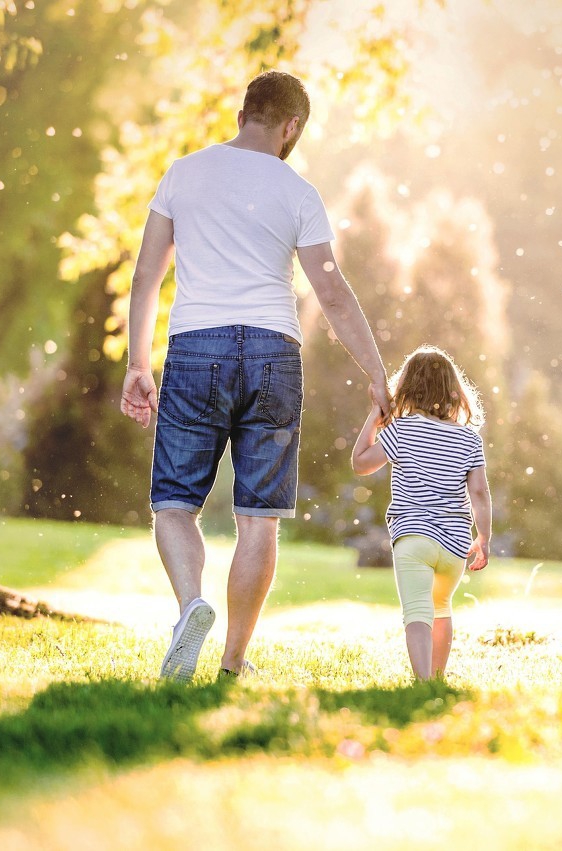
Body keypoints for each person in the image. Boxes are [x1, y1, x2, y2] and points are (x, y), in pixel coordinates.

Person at [121, 70, 389, 682]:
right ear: (291, 126)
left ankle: (192, 604)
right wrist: (375, 371)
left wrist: (139, 364)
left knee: (174, 505)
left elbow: (145, 277)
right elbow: (333, 293)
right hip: (274, 352)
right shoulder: (299, 192)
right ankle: (234, 661)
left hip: (195, 347)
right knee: (258, 518)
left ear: (246, 113)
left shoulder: (182, 174)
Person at [350, 346, 492, 680]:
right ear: (453, 391)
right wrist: (483, 537)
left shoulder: (402, 430)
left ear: (408, 388)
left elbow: (360, 464)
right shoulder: (469, 439)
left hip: (414, 537)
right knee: (441, 609)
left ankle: (422, 681)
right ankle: (437, 679)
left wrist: (375, 416)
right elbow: (481, 493)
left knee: (417, 611)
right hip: (455, 545)